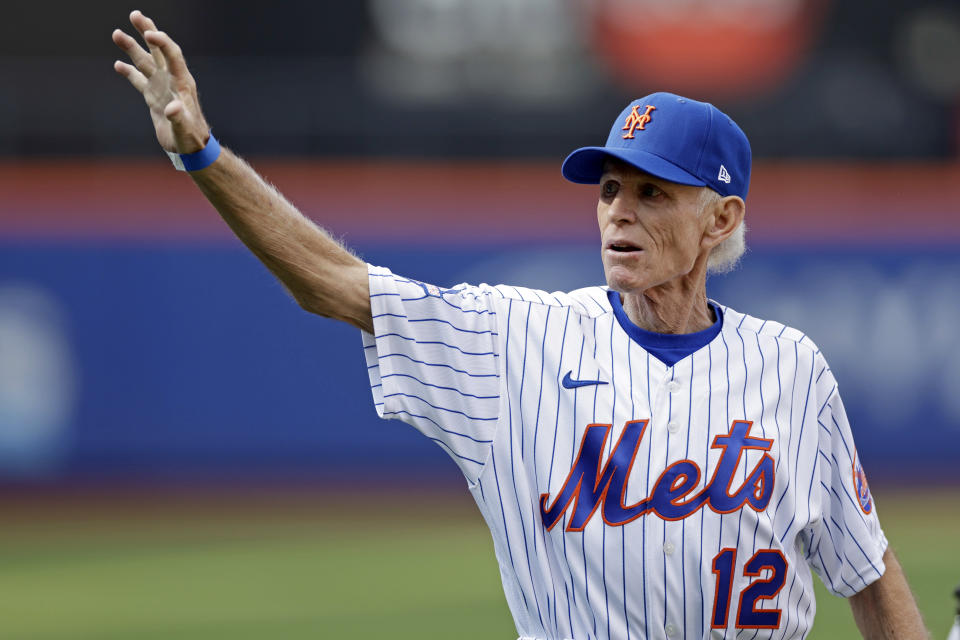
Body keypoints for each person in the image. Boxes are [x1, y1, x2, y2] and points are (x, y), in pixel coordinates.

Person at [112, 10, 929, 639]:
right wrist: (204, 155)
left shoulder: (792, 367)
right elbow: (333, 284)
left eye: (653, 194)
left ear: (721, 221)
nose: (619, 213)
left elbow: (868, 571)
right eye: (609, 189)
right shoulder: (514, 339)